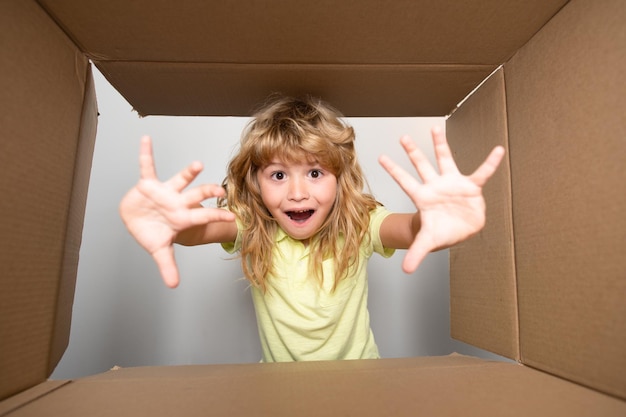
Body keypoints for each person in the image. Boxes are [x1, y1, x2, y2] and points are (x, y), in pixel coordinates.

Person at [119, 94, 505, 362]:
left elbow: (407, 230)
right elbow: (201, 229)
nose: (297, 192)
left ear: (340, 178)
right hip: (282, 392)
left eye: (315, 172)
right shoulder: (254, 227)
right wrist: (172, 226)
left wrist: (432, 221)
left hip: (360, 388)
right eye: (279, 174)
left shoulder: (359, 223)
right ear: (255, 181)